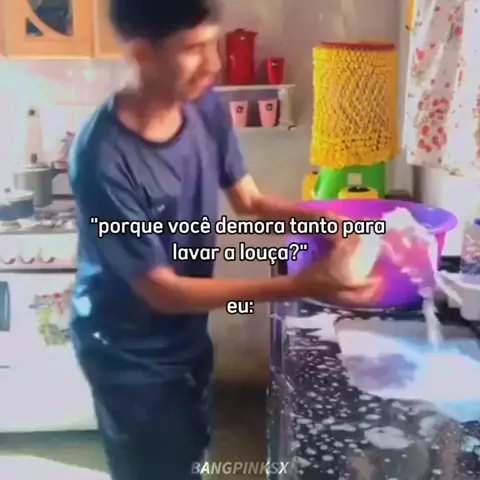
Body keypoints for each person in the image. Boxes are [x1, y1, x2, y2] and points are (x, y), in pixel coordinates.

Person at [69, 0, 382, 479]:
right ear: (142, 54)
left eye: (212, 43)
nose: (212, 64)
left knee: (191, 451)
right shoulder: (103, 157)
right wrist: (307, 285)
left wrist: (323, 220)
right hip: (126, 354)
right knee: (156, 468)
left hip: (187, 335)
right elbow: (162, 290)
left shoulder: (204, 105)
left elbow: (248, 200)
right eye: (193, 48)